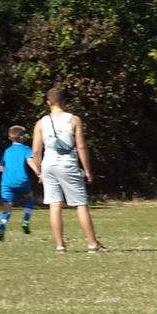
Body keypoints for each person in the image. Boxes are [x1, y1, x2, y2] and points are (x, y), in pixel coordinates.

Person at [31, 87, 107, 253]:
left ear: (48, 103)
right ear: (64, 102)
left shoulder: (41, 123)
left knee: (54, 204)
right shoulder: (74, 120)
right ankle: (92, 243)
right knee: (80, 204)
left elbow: (36, 150)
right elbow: (81, 146)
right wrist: (87, 170)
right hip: (68, 164)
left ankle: (60, 245)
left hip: (48, 166)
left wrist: (38, 171)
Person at [0, 124, 39, 242]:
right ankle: (26, 220)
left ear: (10, 138)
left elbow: (1, 168)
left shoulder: (7, 151)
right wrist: (38, 173)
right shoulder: (25, 149)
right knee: (30, 198)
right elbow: (30, 161)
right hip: (22, 180)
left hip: (6, 183)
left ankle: (1, 228)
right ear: (21, 137)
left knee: (7, 208)